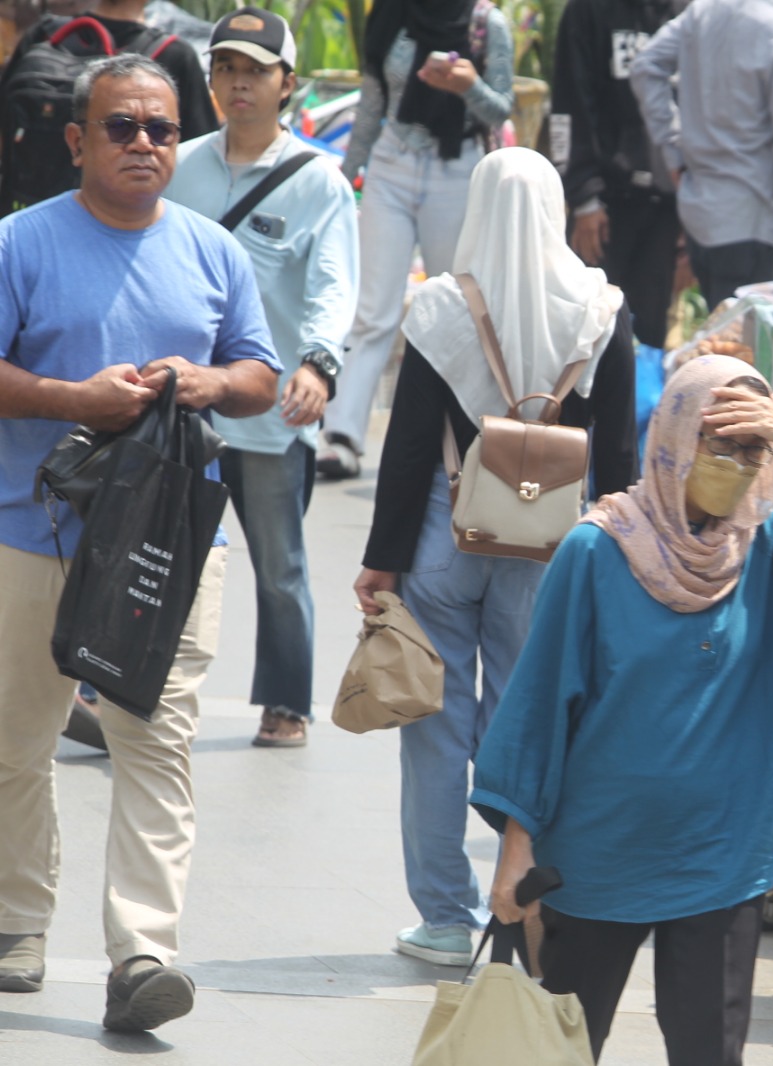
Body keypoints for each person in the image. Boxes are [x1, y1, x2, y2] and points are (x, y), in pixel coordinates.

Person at [471, 354, 773, 1064]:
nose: (734, 464)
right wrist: (515, 848)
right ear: (672, 441)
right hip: (598, 854)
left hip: (723, 854)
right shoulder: (596, 551)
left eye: (750, 449)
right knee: (562, 1048)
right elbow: (540, 705)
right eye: (716, 446)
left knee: (708, 1051)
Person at [0, 55, 278, 1030]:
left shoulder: (211, 251)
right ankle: (16, 920)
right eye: (122, 127)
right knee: (15, 740)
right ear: (78, 140)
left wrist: (204, 384)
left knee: (155, 744)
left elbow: (260, 375)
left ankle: (143, 953)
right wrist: (71, 399)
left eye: (161, 129)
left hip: (165, 542)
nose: (144, 145)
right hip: (30, 533)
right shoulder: (20, 245)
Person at [353, 147, 635, 967]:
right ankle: (519, 903)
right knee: (531, 718)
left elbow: (406, 450)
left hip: (446, 529)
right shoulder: (600, 308)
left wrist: (382, 562)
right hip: (554, 548)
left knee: (435, 728)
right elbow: (616, 449)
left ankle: (444, 917)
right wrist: (615, 558)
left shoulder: (441, 306)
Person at [166, 7, 359, 748]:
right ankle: (131, 680)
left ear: (289, 85)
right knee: (159, 546)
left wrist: (318, 363)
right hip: (183, 405)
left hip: (273, 410)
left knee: (279, 566)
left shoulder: (319, 182)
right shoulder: (179, 167)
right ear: (210, 80)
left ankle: (287, 702)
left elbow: (333, 288)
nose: (238, 84)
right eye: (226, 69)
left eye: (255, 72)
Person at [317, 0, 514, 480]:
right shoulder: (392, 12)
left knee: (456, 309)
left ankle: (454, 436)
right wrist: (346, 179)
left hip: (457, 167)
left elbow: (502, 107)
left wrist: (469, 85)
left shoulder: (488, 24)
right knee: (373, 309)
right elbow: (372, 100)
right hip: (393, 161)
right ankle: (341, 436)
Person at [631, 0, 773, 309]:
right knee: (743, 350)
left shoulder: (705, 10)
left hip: (701, 216)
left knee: (722, 343)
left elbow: (645, 66)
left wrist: (674, 151)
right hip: (748, 221)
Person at [0, 0, 218, 216]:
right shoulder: (174, 55)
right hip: (118, 224)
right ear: (75, 140)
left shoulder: (42, 35)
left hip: (22, 210)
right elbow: (200, 161)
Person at [550, 0, 684, 350]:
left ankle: (637, 406)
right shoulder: (588, 10)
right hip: (604, 205)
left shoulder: (688, 10)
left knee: (650, 333)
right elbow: (569, 102)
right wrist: (583, 197)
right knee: (585, 329)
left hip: (665, 203)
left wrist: (693, 210)